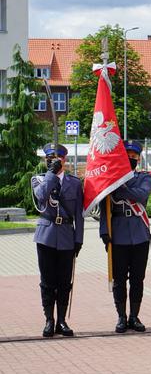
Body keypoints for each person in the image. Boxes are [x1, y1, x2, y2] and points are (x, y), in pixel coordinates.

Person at [100, 140, 151, 333]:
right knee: (119, 279)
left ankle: (134, 316)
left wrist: (121, 186)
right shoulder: (110, 179)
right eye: (127, 155)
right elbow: (103, 206)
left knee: (138, 279)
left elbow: (141, 195)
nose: (130, 158)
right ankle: (121, 317)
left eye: (134, 156)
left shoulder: (144, 177)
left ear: (138, 158)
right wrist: (104, 232)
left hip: (139, 234)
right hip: (118, 234)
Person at [32, 143, 83, 337]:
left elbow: (78, 214)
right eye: (49, 159)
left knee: (64, 281)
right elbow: (41, 197)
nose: (52, 162)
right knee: (47, 281)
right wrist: (52, 175)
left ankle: (62, 320)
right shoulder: (39, 180)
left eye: (56, 159)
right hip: (46, 236)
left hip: (67, 237)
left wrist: (79, 239)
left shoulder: (75, 183)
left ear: (64, 160)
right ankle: (49, 320)